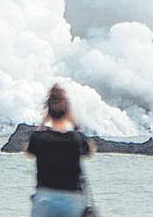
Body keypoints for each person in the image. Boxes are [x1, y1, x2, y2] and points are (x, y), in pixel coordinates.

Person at [25, 84, 97, 217]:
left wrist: (44, 121)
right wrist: (74, 122)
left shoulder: (39, 138)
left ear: (48, 110)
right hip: (72, 198)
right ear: (67, 111)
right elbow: (90, 150)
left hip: (45, 198)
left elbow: (29, 151)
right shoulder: (76, 139)